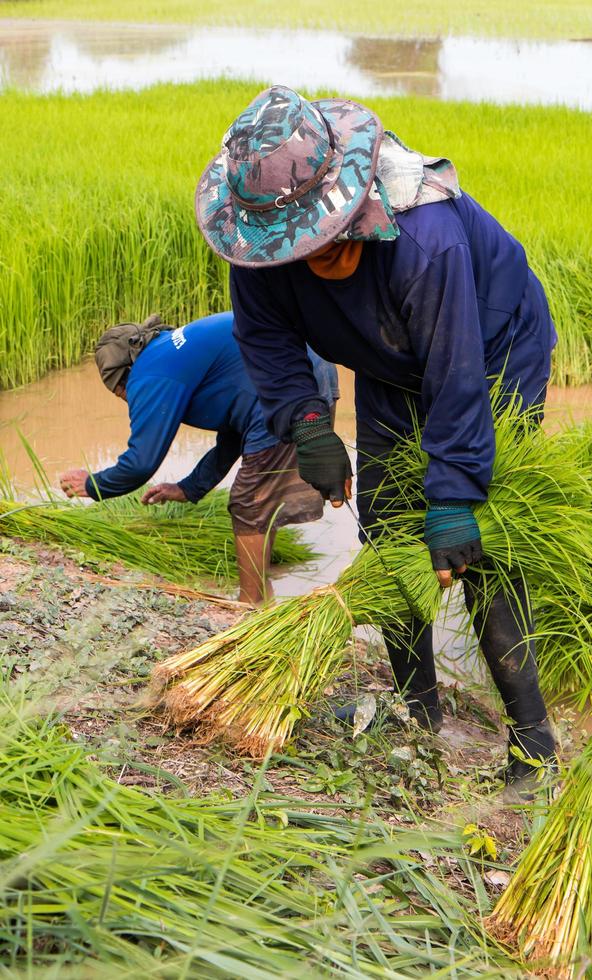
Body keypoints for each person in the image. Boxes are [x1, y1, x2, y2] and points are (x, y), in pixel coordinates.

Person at [193, 86, 557, 783]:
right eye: (298, 252)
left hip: (490, 352)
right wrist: (306, 424)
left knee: (478, 537)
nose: (313, 261)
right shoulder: (261, 244)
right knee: (387, 521)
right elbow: (265, 341)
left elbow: (455, 375)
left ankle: (533, 740)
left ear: (354, 207)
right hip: (386, 359)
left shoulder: (426, 234)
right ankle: (417, 710)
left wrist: (452, 495)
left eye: (325, 246)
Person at [59, 311, 338, 605]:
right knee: (260, 497)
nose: (127, 401)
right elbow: (235, 431)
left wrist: (92, 485)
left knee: (248, 501)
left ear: (122, 378)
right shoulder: (169, 352)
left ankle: (249, 605)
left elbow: (140, 463)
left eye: (119, 394)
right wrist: (189, 487)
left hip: (290, 385)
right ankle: (263, 592)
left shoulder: (148, 375)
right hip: (309, 370)